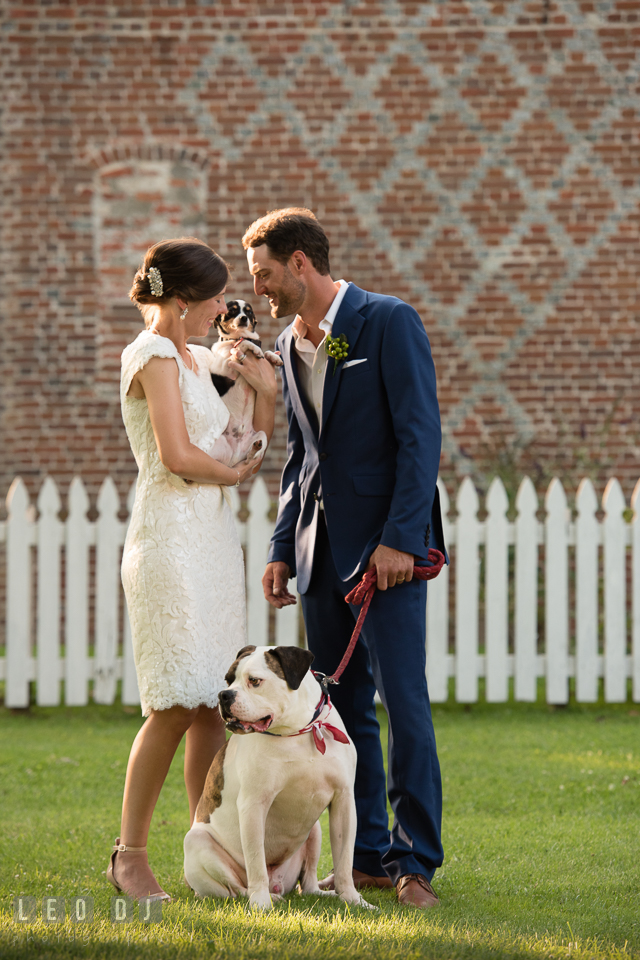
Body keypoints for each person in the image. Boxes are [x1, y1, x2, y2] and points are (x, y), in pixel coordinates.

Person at [243, 208, 447, 909]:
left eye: (265, 274)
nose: (261, 289)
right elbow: (301, 456)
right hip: (317, 555)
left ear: (301, 262)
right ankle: (363, 858)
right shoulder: (288, 342)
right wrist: (279, 548)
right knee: (341, 708)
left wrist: (400, 538)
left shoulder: (388, 321)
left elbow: (420, 438)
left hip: (385, 554)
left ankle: (414, 860)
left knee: (404, 706)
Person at [108, 238, 277, 901]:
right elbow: (179, 455)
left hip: (211, 540)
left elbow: (245, 443)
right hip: (169, 538)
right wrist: (232, 473)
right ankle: (130, 854)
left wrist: (262, 393)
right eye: (211, 300)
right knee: (174, 704)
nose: (220, 309)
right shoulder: (150, 355)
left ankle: (202, 848)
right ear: (181, 301)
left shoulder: (202, 357)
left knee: (215, 705)